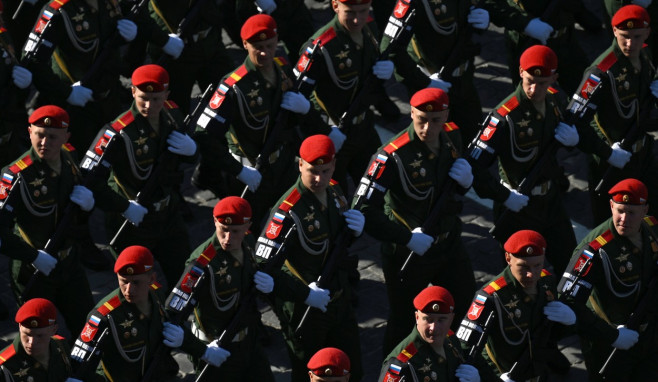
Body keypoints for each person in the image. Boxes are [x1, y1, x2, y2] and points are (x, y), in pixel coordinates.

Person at [357, 87, 476, 355]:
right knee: (403, 324)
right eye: (421, 118)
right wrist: (406, 237)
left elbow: (451, 188)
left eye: (436, 120)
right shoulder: (391, 155)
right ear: (411, 113)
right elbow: (364, 209)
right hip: (407, 255)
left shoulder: (453, 135)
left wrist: (468, 181)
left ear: (446, 115)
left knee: (464, 307)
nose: (427, 127)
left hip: (448, 244)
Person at [193, 14, 327, 228]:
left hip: (283, 165)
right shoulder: (233, 87)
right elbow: (204, 135)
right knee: (248, 229)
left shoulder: (282, 68)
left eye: (270, 45)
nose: (265, 53)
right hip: (251, 171)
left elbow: (289, 121)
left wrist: (304, 109)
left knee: (294, 217)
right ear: (245, 44)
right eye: (258, 47)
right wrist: (239, 171)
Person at [254, 135, 365, 382]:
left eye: (325, 171)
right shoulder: (286, 211)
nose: (319, 179)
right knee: (308, 373)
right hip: (304, 309)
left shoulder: (335, 192)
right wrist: (306, 294)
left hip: (338, 297)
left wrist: (355, 231)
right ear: (300, 165)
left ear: (334, 166)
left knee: (352, 369)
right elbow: (264, 268)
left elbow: (337, 242)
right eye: (313, 171)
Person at [468, 45, 578, 276]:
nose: (534, 88)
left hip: (551, 201)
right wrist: (504, 196)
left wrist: (577, 137)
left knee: (569, 263)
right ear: (520, 72)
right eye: (529, 80)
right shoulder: (503, 118)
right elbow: (474, 167)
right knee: (521, 274)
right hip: (518, 208)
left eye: (542, 82)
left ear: (554, 78)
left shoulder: (556, 101)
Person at [83, 64, 196, 287]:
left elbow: (183, 161)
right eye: (143, 97)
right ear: (132, 91)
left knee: (184, 279)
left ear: (167, 95)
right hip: (132, 221)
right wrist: (123, 206)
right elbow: (90, 179)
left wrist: (193, 151)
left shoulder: (172, 115)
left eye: (156, 99)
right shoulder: (117, 133)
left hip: (167, 214)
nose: (149, 105)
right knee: (135, 287)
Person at [0, 105, 94, 337]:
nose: (45, 142)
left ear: (66, 137)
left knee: (86, 327)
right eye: (39, 134)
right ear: (29, 131)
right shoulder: (16, 176)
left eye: (52, 137)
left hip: (69, 263)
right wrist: (33, 256)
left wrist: (88, 206)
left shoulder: (69, 159)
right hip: (34, 270)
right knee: (39, 336)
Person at [68, 246, 222, 381]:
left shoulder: (156, 294)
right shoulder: (105, 316)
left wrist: (204, 351)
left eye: (136, 282)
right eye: (123, 281)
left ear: (152, 279)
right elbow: (81, 365)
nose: (129, 290)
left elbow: (172, 326)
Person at [558, 178, 658, 381]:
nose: (623, 218)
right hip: (609, 345)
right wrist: (613, 335)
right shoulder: (594, 249)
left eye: (631, 213)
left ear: (645, 210)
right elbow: (569, 302)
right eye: (619, 210)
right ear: (611, 205)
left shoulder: (652, 228)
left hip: (650, 335)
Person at [295, 0, 395, 194]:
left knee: (378, 187)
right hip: (334, 134)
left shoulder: (369, 27)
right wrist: (325, 130)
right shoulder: (321, 46)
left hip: (364, 127)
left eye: (363, 10)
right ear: (335, 6)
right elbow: (298, 101)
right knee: (335, 195)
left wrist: (384, 70)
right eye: (350, 12)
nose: (358, 19)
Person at [571, 5, 658, 224]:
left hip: (643, 151)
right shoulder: (600, 73)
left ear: (647, 33)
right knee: (611, 222)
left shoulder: (645, 54)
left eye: (637, 36)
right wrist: (607, 151)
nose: (630, 44)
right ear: (614, 32)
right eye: (624, 37)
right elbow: (574, 122)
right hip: (611, 162)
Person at [177, 196, 274, 381]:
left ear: (248, 227)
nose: (228, 238)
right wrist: (202, 351)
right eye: (224, 230)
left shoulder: (248, 242)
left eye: (235, 231)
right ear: (215, 222)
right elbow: (173, 315)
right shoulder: (201, 264)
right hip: (216, 350)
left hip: (249, 341)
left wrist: (272, 284)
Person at [458, 230, 576, 381]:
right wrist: (490, 378)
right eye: (523, 267)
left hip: (538, 367)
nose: (531, 274)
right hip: (504, 370)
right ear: (508, 258)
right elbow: (465, 348)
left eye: (537, 265)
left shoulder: (546, 281)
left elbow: (551, 333)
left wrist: (570, 322)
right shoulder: (490, 297)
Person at [21, 0, 137, 150]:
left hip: (109, 99)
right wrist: (66, 92)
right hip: (76, 107)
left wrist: (130, 34)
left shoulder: (108, 3)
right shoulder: (60, 11)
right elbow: (32, 60)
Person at [380, 0, 490, 145]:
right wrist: (425, 83)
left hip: (463, 79)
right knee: (434, 144)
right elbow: (391, 49)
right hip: (431, 85)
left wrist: (485, 19)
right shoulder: (414, 3)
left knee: (474, 135)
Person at [380, 286, 495, 382]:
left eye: (441, 320)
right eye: (428, 319)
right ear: (417, 318)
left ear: (451, 319)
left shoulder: (450, 339)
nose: (434, 328)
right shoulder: (402, 364)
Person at [480, 0, 589, 94]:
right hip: (528, 42)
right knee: (532, 105)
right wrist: (526, 23)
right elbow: (490, 3)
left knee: (586, 91)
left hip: (565, 38)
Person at [147, 0, 234, 114]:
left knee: (228, 100)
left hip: (210, 42)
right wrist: (162, 40)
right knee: (176, 111)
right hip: (177, 50)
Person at [0, 298, 73, 381]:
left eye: (39, 336)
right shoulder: (5, 365)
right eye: (27, 334)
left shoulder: (61, 346)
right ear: (20, 326)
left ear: (54, 330)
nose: (31, 342)